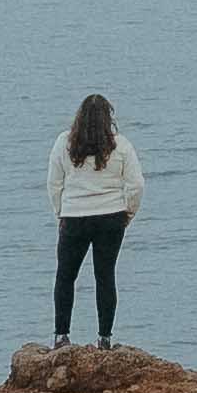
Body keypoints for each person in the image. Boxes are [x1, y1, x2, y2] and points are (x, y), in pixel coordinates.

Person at [47, 91, 142, 345]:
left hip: (74, 217)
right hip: (111, 217)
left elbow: (54, 184)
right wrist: (127, 213)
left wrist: (61, 212)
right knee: (105, 276)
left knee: (65, 276)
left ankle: (61, 336)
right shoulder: (120, 145)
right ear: (108, 118)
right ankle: (104, 338)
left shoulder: (64, 143)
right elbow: (136, 185)